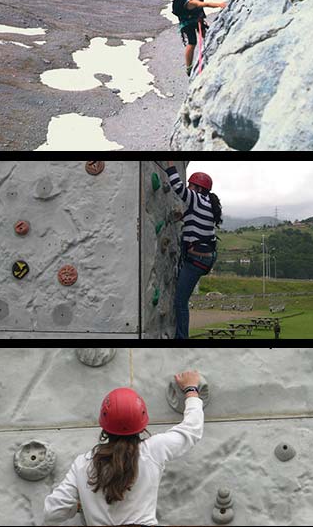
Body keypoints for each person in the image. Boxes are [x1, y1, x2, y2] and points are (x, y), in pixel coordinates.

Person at [43, 371, 204, 526]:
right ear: (142, 422)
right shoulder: (153, 450)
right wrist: (191, 390)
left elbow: (52, 511)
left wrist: (83, 506)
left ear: (104, 425)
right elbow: (191, 429)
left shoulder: (83, 464)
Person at [164, 163, 223, 340]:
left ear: (198, 188)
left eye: (191, 185)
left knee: (180, 302)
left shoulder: (196, 198)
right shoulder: (207, 204)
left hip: (196, 258)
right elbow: (195, 217)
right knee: (182, 297)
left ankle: (181, 338)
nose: (189, 187)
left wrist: (170, 165)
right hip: (202, 258)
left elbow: (177, 187)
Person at [174, 0, 229, 76]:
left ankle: (213, 50)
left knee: (206, 35)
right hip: (187, 23)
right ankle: (189, 67)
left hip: (197, 18)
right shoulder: (190, 0)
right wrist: (219, 5)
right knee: (192, 42)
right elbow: (204, 4)